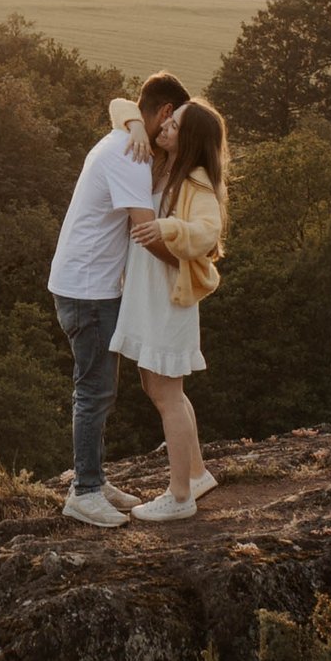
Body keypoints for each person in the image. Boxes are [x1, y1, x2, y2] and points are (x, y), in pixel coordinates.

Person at [48, 70, 188, 527]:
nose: (173, 133)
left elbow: (122, 106)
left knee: (100, 389)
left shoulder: (123, 138)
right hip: (87, 289)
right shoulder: (130, 153)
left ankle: (95, 477)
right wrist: (193, 267)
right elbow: (146, 232)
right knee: (94, 390)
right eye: (174, 123)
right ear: (164, 113)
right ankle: (83, 491)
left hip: (88, 284)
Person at [112, 96, 228, 521]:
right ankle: (195, 474)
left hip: (167, 302)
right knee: (155, 386)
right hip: (149, 297)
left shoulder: (196, 180)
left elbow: (207, 234)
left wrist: (165, 226)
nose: (165, 128)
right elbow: (118, 103)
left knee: (168, 394)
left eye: (174, 126)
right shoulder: (167, 165)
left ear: (191, 138)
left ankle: (180, 497)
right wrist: (137, 127)